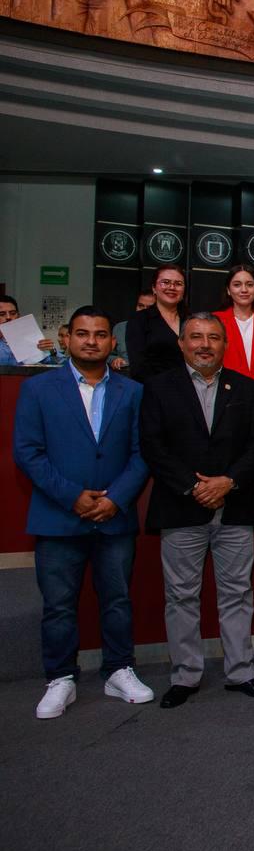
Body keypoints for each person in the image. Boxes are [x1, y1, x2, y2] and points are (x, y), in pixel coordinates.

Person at [14, 306, 153, 718]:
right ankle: (60, 677)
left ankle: (119, 669)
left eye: (100, 334)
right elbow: (28, 452)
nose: (91, 341)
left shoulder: (133, 391)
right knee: (59, 604)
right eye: (82, 333)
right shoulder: (38, 389)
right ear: (67, 338)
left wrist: (116, 499)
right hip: (58, 516)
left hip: (115, 515)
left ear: (112, 341)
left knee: (118, 599)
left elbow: (143, 453)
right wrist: (73, 496)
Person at [138, 312, 254, 708]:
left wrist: (228, 482)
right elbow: (152, 445)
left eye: (213, 337)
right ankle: (185, 676)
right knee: (181, 595)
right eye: (196, 337)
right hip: (181, 506)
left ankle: (241, 671)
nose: (204, 345)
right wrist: (195, 486)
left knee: (237, 592)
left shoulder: (245, 388)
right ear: (181, 343)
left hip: (234, 507)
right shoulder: (159, 387)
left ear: (224, 345)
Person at [127, 264, 188, 383]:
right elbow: (138, 367)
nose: (172, 287)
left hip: (190, 388)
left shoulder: (192, 320)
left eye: (178, 284)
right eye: (165, 282)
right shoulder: (140, 319)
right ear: (154, 288)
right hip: (153, 388)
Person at [0, 294, 57, 365]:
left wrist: (51, 351)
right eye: (2, 314)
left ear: (18, 316)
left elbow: (60, 363)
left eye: (13, 313)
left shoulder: (31, 339)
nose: (8, 317)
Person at [109, 291, 155, 372]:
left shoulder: (164, 329)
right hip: (125, 374)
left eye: (150, 308)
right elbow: (107, 354)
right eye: (140, 306)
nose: (144, 310)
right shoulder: (120, 328)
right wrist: (114, 359)